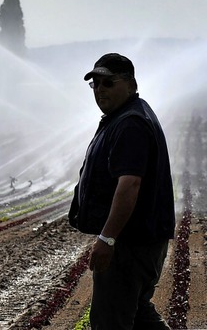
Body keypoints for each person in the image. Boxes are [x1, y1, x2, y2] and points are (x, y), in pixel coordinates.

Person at [68, 53, 175, 330]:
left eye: (108, 82)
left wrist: (108, 238)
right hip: (137, 239)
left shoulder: (130, 123)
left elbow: (129, 185)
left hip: (130, 242)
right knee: (138, 314)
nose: (100, 90)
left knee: (109, 320)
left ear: (130, 84)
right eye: (96, 84)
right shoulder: (125, 117)